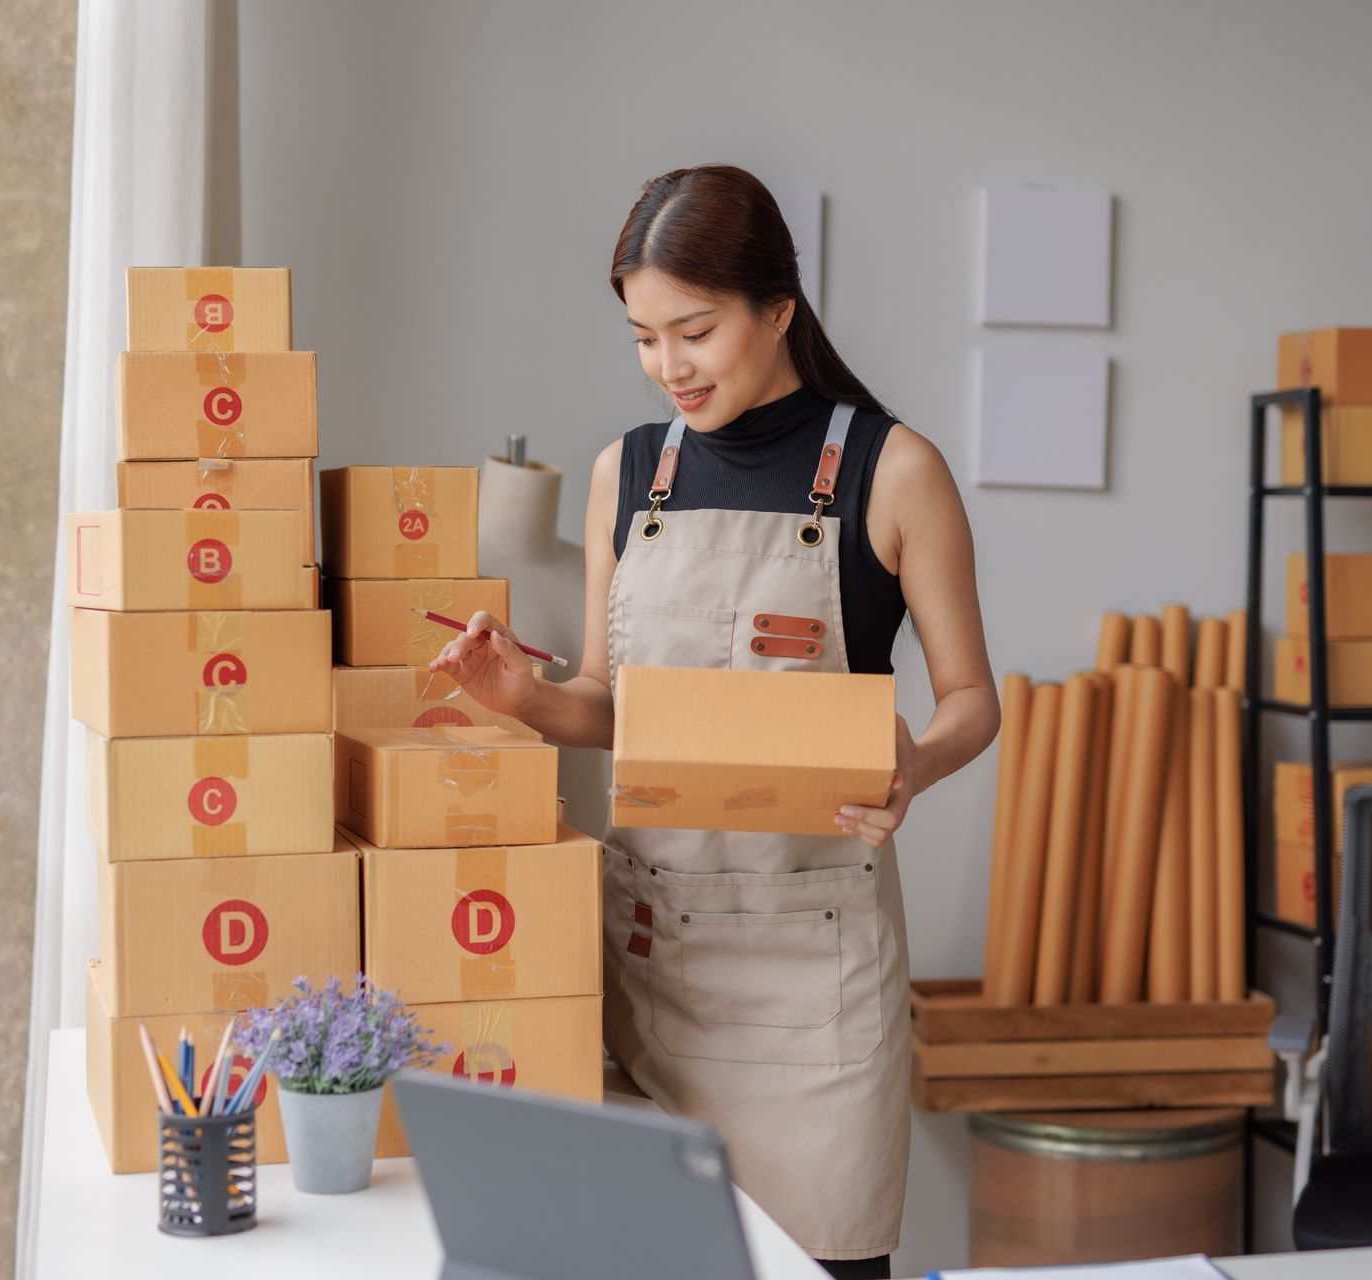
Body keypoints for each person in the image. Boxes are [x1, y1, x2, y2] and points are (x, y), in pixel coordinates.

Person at [429, 163, 1000, 1280]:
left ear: (777, 308)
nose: (667, 367)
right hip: (648, 965)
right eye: (644, 337)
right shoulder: (626, 475)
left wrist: (916, 763)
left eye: (693, 331)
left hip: (816, 992)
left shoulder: (893, 471)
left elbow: (975, 698)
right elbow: (610, 700)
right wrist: (524, 698)